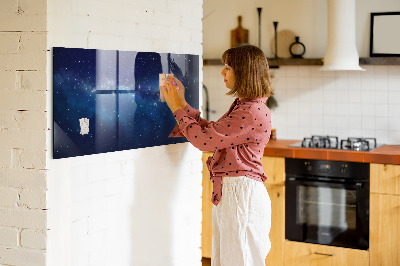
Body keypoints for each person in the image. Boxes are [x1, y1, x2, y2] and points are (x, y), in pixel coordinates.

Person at [161, 44, 273, 266]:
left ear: (244, 72)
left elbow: (204, 141)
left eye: (228, 67)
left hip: (241, 195)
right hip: (236, 193)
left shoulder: (250, 111)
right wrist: (182, 103)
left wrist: (176, 108)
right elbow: (212, 133)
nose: (222, 72)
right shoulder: (246, 106)